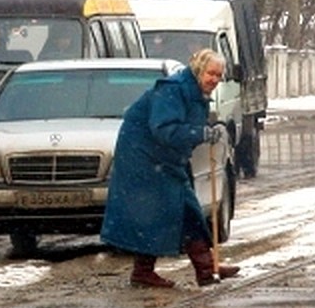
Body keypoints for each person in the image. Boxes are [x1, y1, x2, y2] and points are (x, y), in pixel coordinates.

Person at [101, 48, 241, 289]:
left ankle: (206, 269)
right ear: (198, 70)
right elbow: (164, 129)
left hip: (164, 159)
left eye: (219, 76)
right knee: (158, 213)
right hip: (145, 159)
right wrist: (200, 133)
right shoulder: (173, 90)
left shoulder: (194, 93)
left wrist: (207, 130)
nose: (215, 80)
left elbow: (186, 125)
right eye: (211, 74)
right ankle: (145, 272)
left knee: (186, 209)